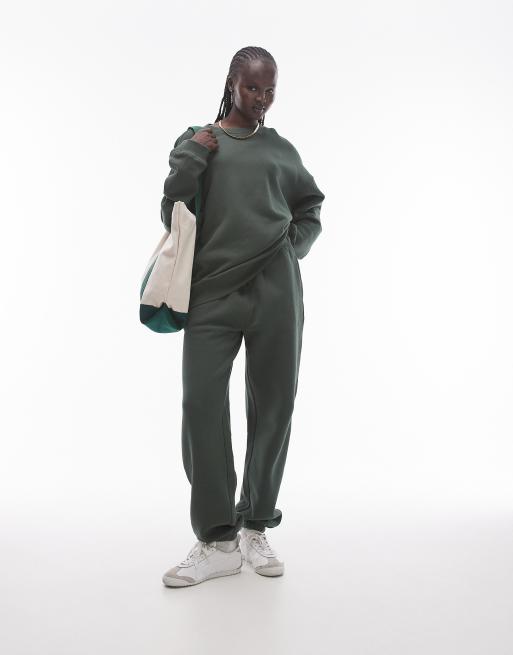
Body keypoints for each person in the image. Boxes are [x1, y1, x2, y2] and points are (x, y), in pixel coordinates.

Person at [161, 46, 325, 587]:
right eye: (253, 87)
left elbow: (310, 206)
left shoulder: (280, 150)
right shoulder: (199, 141)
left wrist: (290, 246)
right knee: (200, 404)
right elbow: (173, 213)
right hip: (212, 294)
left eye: (270, 89)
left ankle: (255, 524)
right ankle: (217, 540)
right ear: (232, 83)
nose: (261, 99)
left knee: (274, 404)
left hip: (276, 292)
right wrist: (191, 159)